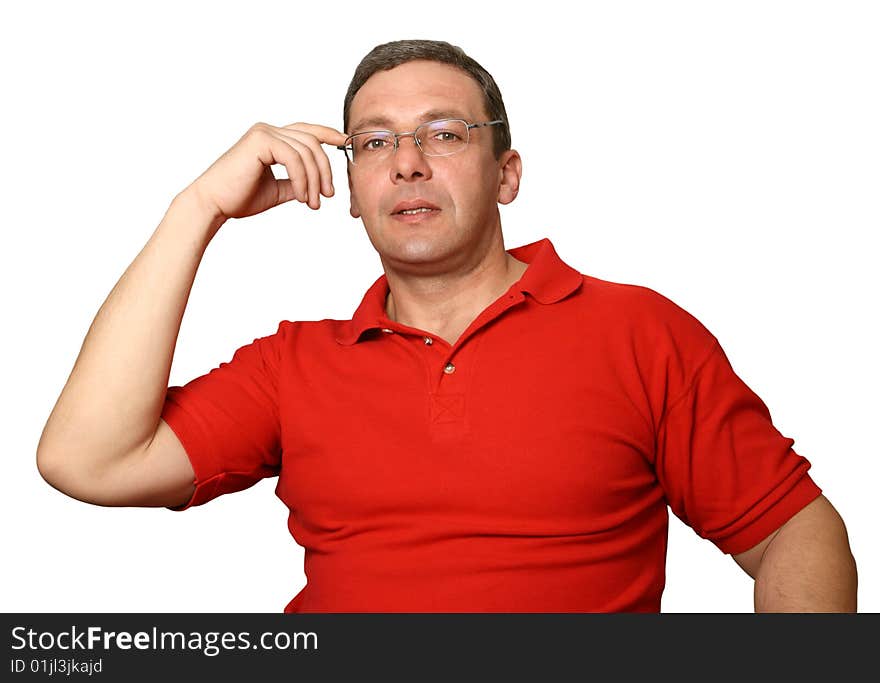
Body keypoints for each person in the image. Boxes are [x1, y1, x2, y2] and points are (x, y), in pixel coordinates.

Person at [36, 39, 857, 613]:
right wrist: (198, 208)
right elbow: (88, 459)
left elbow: (793, 528)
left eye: (444, 133)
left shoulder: (640, 331)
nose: (407, 161)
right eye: (375, 142)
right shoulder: (292, 365)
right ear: (351, 189)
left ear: (507, 173)